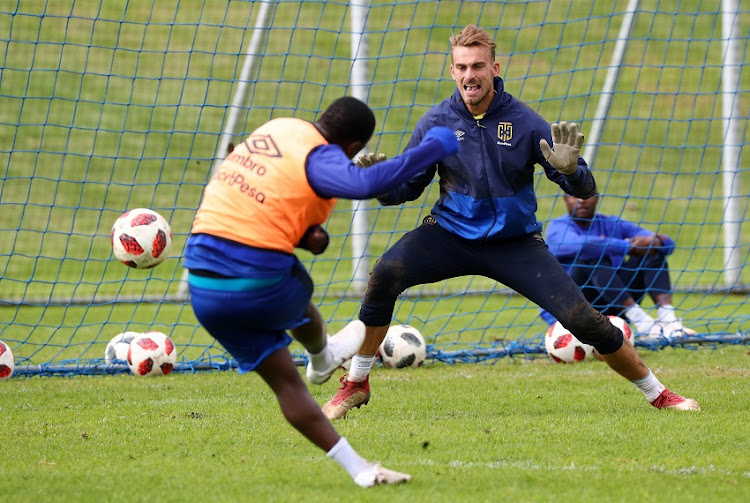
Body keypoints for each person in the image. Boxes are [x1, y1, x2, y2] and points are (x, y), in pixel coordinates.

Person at [321, 25, 700, 421]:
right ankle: (356, 383)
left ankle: (659, 394)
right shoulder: (435, 122)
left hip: (515, 243)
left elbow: (582, 185)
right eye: (462, 67)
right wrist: (381, 183)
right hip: (449, 234)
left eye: (478, 66)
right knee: (384, 274)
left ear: (494, 68)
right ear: (452, 72)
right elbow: (408, 189)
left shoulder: (525, 121)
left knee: (584, 321)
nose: (470, 75)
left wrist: (571, 171)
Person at [183, 96, 460, 487]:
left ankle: (361, 470)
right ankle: (324, 355)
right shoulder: (320, 155)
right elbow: (366, 183)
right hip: (260, 280)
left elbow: (250, 205)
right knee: (300, 287)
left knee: (287, 386)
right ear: (352, 148)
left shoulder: (276, 129)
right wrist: (434, 146)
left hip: (203, 290)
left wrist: (301, 235)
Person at [539, 194, 697, 340]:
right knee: (592, 258)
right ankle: (645, 323)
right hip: (576, 307)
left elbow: (667, 244)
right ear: (565, 199)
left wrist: (656, 242)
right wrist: (626, 246)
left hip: (614, 302)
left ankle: (669, 322)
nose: (581, 200)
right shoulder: (557, 227)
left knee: (652, 253)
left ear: (596, 198)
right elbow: (584, 245)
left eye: (587, 195)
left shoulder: (612, 223)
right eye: (574, 195)